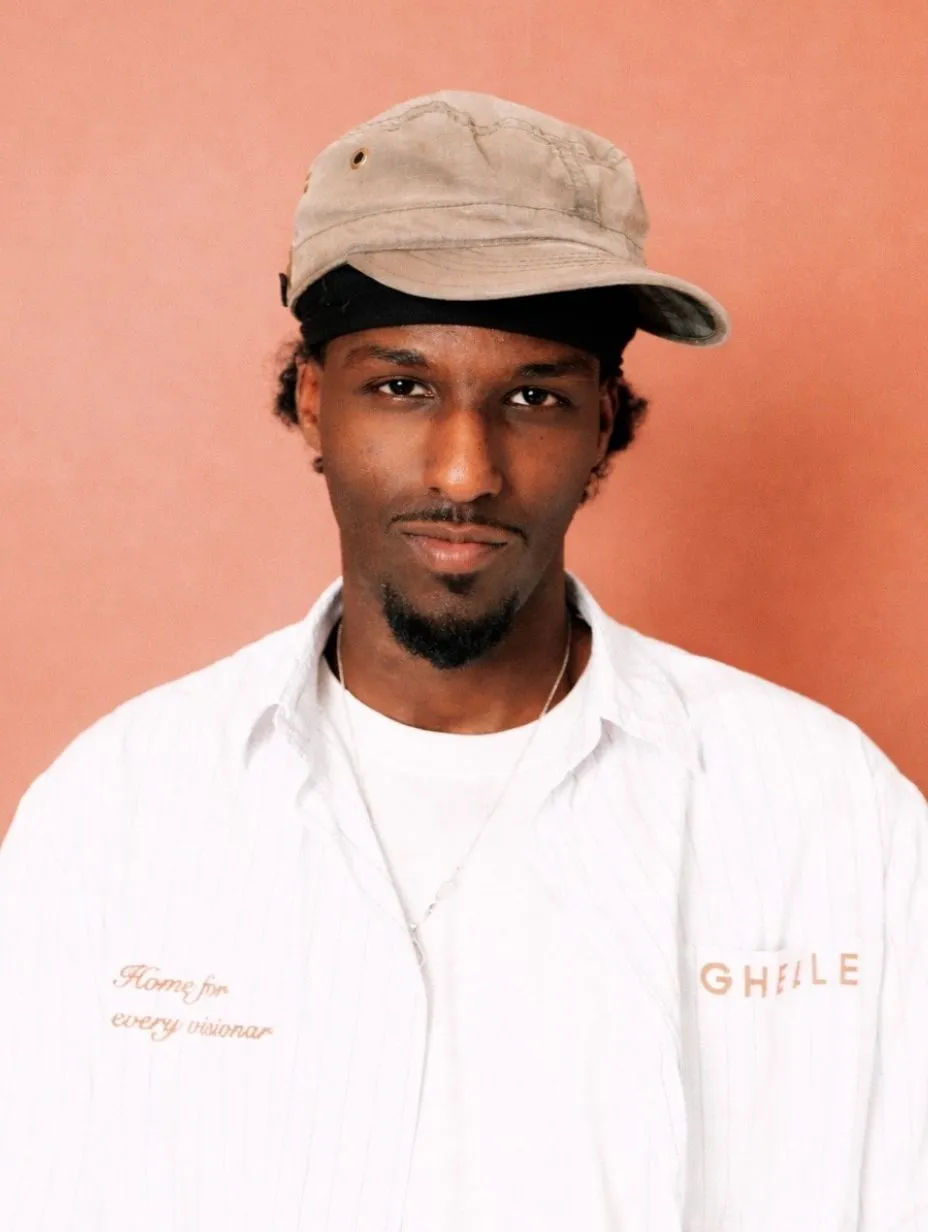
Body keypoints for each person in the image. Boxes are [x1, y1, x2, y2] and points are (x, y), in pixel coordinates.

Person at [0, 89, 924, 1232]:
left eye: (533, 397)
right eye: (402, 386)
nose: (462, 471)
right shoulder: (117, 812)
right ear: (311, 405)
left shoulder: (827, 817)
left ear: (603, 429)